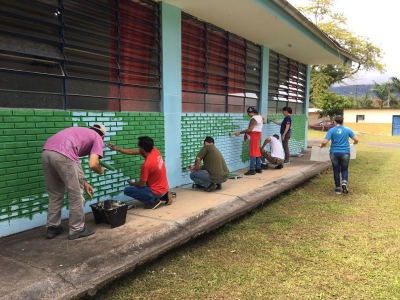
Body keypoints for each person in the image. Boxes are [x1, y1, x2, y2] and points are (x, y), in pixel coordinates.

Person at [42, 124, 106, 240]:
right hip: (63, 152)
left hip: (46, 152)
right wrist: (100, 170)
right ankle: (77, 230)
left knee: (55, 194)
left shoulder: (81, 133)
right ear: (102, 136)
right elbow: (93, 164)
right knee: (76, 196)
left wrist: (84, 182)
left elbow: (74, 162)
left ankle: (53, 227)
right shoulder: (98, 138)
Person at [108, 136, 172, 209]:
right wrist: (116, 148)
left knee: (128, 190)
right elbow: (131, 152)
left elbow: (140, 185)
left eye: (138, 146)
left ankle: (153, 201)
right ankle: (164, 196)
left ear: (142, 148)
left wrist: (132, 184)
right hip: (164, 187)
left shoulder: (146, 165)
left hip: (156, 190)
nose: (137, 146)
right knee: (149, 187)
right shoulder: (154, 150)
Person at [319, 115, 359, 195]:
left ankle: (337, 189)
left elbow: (325, 142)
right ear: (342, 122)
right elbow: (356, 140)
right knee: (344, 169)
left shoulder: (331, 130)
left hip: (334, 152)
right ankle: (344, 182)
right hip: (345, 152)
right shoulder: (348, 129)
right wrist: (353, 144)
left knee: (336, 170)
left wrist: (321, 146)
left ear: (335, 121)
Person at [234, 106, 263, 175]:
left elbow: (250, 129)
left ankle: (252, 169)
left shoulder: (254, 119)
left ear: (251, 112)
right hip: (258, 135)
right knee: (257, 152)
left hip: (254, 136)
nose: (248, 115)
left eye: (248, 113)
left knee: (252, 152)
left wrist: (240, 133)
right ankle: (258, 168)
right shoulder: (259, 117)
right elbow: (263, 117)